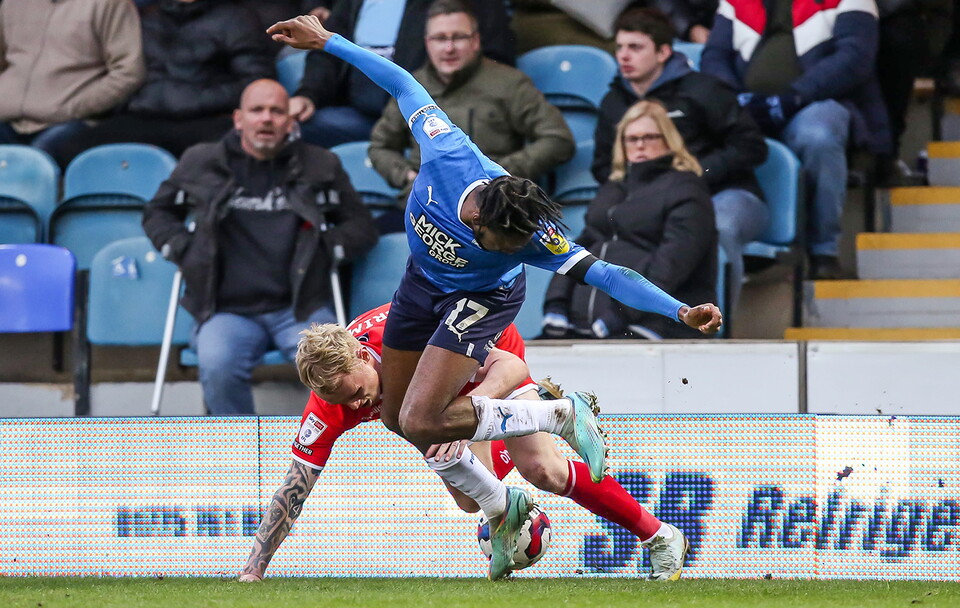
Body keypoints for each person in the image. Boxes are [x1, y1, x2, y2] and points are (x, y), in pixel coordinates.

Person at [267, 15, 720, 576]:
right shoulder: (449, 155)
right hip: (420, 286)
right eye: (506, 245)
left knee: (449, 431)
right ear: (479, 218)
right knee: (403, 420)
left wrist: (679, 308)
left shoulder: (532, 237)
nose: (518, 251)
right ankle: (517, 490)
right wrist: (329, 41)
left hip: (483, 304)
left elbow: (607, 275)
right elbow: (403, 82)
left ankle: (557, 428)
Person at [238, 303, 689, 582]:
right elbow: (294, 489)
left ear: (362, 355)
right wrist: (255, 569)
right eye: (344, 402)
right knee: (469, 500)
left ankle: (661, 536)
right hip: (435, 405)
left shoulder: (410, 339)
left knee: (543, 470)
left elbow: (510, 368)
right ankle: (512, 479)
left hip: (488, 357)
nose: (357, 405)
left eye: (357, 392)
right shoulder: (330, 403)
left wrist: (467, 420)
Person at [142, 79, 378, 416]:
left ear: (290, 121)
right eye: (257, 110)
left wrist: (326, 248)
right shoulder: (202, 161)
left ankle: (325, 442)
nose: (266, 118)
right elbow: (157, 213)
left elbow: (361, 226)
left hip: (301, 308)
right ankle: (233, 444)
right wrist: (183, 249)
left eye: (276, 111)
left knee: (334, 367)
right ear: (238, 119)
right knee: (217, 363)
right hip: (225, 310)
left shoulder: (319, 164)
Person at [593, 8, 766, 318]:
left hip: (723, 193)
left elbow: (751, 147)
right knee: (610, 231)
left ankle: (714, 326)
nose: (624, 56)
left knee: (719, 229)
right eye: (619, 47)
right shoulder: (613, 103)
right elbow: (604, 166)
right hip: (651, 202)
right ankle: (622, 324)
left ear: (663, 52)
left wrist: (694, 177)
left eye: (635, 47)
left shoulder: (703, 89)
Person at [701, 0, 892, 280]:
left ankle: (823, 251)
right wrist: (734, 99)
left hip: (817, 100)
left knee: (818, 136)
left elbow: (854, 57)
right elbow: (714, 56)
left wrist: (796, 96)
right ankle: (736, 246)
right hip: (747, 105)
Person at [368, 0, 575, 234]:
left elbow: (558, 139)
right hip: (427, 209)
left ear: (475, 41)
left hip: (493, 211)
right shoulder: (410, 87)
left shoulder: (509, 84)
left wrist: (496, 175)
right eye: (440, 39)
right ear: (427, 43)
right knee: (371, 236)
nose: (449, 48)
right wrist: (408, 176)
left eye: (458, 37)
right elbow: (380, 146)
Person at [545, 101, 717, 340]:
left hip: (656, 323)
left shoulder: (687, 188)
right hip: (587, 325)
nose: (640, 145)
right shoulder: (613, 187)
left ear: (669, 140)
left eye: (649, 137)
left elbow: (672, 265)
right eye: (632, 139)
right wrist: (556, 302)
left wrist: (618, 316)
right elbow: (579, 247)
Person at [59, 0, 275, 164]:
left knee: (238, 153)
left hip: (206, 120)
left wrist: (196, 99)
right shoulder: (145, 17)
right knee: (68, 151)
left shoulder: (236, 18)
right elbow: (120, 71)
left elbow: (256, 82)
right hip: (143, 117)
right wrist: (130, 103)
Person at [290, 0, 515, 149]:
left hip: (432, 115)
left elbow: (496, 55)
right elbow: (326, 50)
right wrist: (308, 94)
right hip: (360, 116)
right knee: (288, 127)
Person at [0, 0, 145, 167]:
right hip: (8, 118)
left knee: (31, 168)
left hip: (70, 122)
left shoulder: (109, 3)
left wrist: (74, 107)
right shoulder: (11, 4)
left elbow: (129, 73)